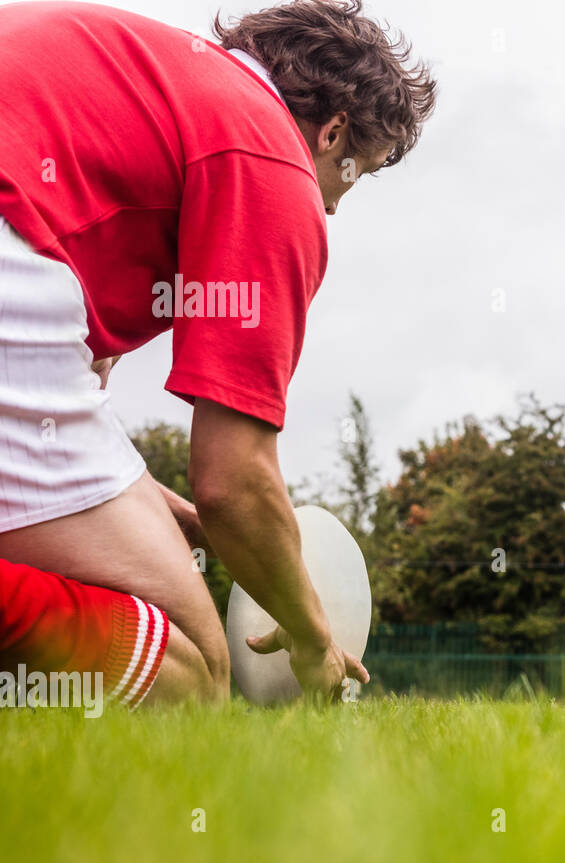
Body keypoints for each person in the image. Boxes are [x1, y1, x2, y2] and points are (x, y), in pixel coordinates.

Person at [0, 0, 435, 704]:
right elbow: (233, 481)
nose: (331, 208)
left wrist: (170, 512)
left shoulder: (157, 83)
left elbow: (66, 437)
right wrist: (313, 637)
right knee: (193, 672)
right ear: (332, 133)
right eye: (357, 174)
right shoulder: (272, 159)